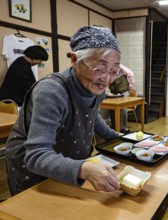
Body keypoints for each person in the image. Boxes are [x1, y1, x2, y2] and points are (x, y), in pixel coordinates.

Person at [5, 26, 122, 196]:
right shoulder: (52, 91)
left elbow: (91, 117)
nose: (106, 78)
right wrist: (84, 168)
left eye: (113, 71)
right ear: (74, 60)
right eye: (99, 69)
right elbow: (36, 155)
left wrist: (119, 139)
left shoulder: (97, 88)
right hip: (33, 167)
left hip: (68, 160)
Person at [100, 64, 135, 134]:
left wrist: (131, 85)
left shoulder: (120, 67)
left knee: (122, 109)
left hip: (123, 91)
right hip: (114, 92)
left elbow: (131, 74)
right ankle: (115, 127)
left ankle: (123, 128)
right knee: (112, 108)